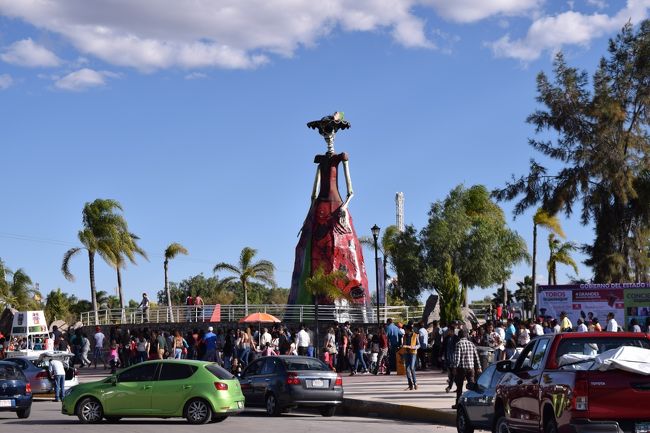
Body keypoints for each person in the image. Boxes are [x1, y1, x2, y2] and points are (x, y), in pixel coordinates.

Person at [452, 329, 481, 409]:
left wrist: (454, 367)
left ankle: (458, 404)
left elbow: (457, 358)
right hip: (471, 368)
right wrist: (479, 367)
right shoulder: (471, 344)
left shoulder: (459, 344)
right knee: (471, 386)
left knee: (459, 387)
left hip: (461, 369)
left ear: (459, 336)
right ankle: (473, 403)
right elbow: (476, 357)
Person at [402, 324, 419, 390]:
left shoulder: (415, 335)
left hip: (413, 353)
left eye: (405, 330)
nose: (404, 331)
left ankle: (415, 383)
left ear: (408, 330)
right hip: (406, 353)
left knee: (412, 368)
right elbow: (403, 344)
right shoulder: (404, 336)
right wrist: (404, 346)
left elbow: (418, 345)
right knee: (407, 369)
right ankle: (410, 384)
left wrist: (412, 347)